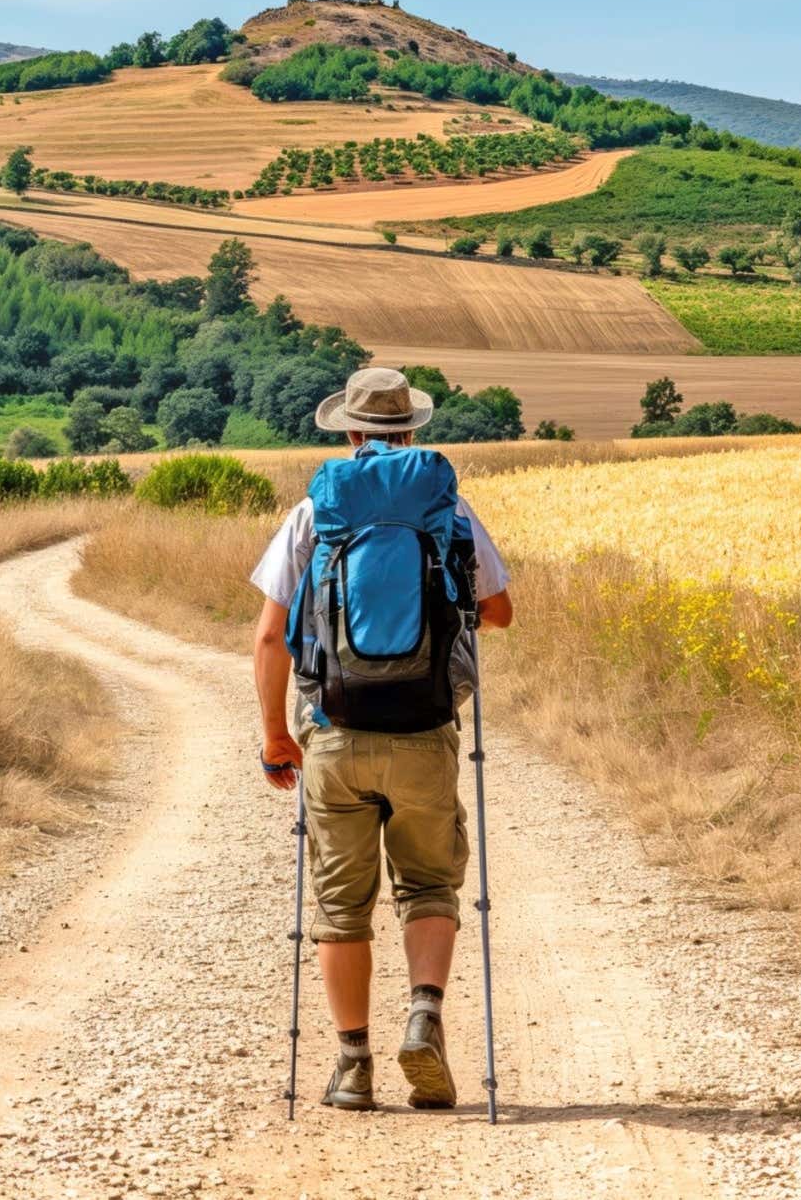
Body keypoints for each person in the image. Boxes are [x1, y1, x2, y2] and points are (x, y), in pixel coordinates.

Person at [250, 366, 513, 1112]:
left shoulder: (316, 512)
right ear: (412, 431)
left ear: (352, 432)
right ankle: (425, 1012)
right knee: (429, 883)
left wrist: (277, 735)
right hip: (424, 729)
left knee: (341, 905)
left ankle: (353, 1065)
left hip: (335, 731)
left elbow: (272, 637)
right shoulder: (449, 510)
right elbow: (500, 614)